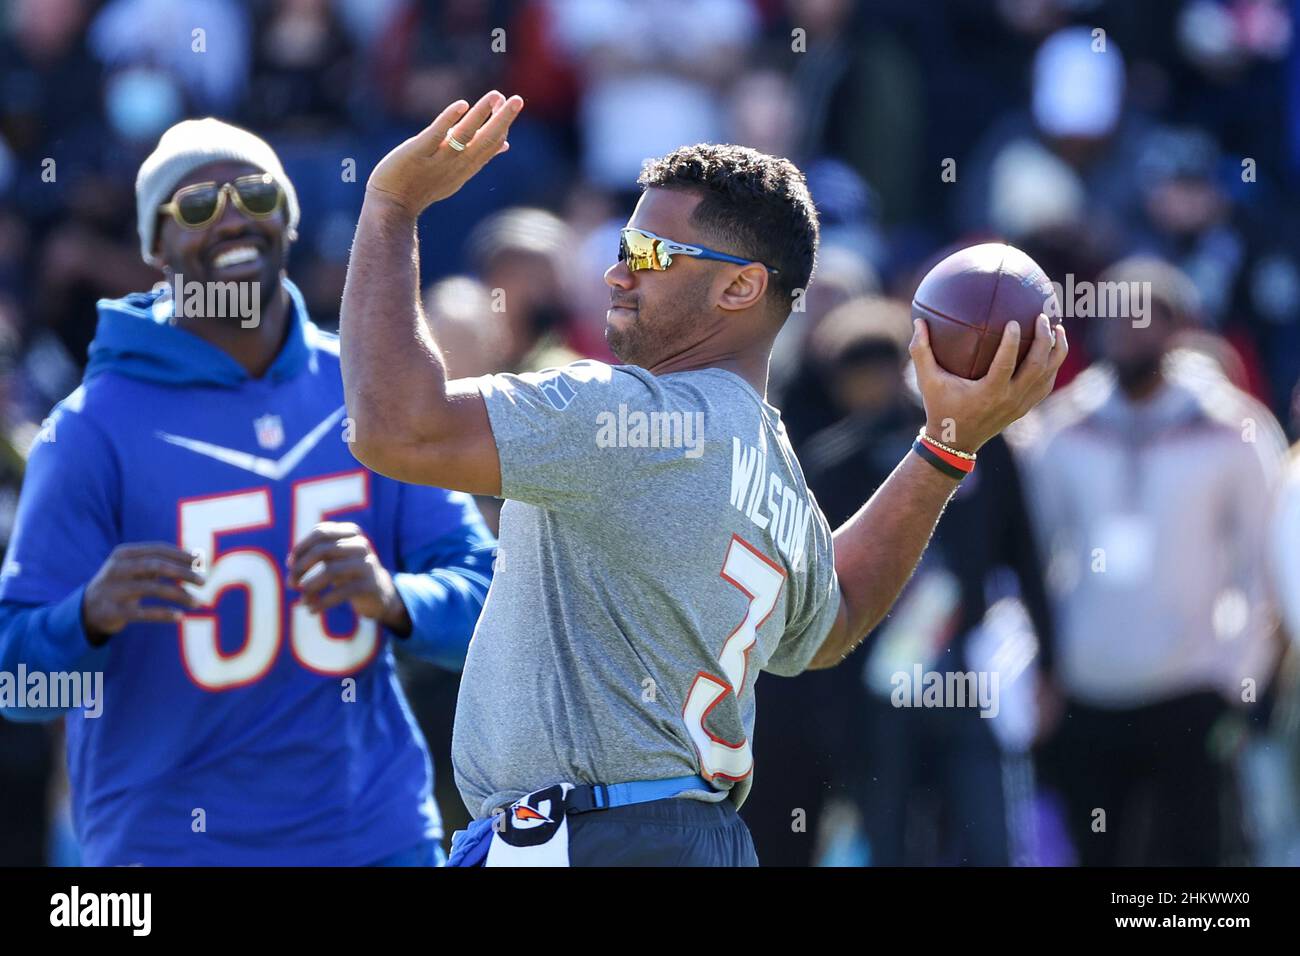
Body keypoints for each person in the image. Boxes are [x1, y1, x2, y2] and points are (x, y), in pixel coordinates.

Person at [340, 90, 1067, 866]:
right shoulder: (774, 461)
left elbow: (394, 427)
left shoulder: (627, 415)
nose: (619, 272)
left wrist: (391, 206)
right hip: (699, 839)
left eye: (651, 254)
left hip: (589, 836)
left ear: (741, 287)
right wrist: (946, 447)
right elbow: (835, 618)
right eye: (623, 246)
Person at [0, 118, 494, 866]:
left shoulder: (365, 389)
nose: (232, 215)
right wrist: (87, 618)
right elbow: (16, 686)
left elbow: (492, 608)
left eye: (256, 194)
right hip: (169, 853)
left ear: (288, 219)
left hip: (375, 840)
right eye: (196, 204)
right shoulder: (89, 431)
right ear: (154, 249)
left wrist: (395, 599)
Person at [1027, 256, 1284, 866]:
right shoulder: (1063, 429)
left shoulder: (1233, 430)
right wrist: (1041, 674)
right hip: (1087, 686)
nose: (1128, 329)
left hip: (1189, 685)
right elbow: (1033, 559)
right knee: (1098, 855)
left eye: (1146, 317)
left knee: (1189, 866)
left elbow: (1265, 564)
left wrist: (1237, 673)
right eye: (1114, 316)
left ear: (1179, 327)